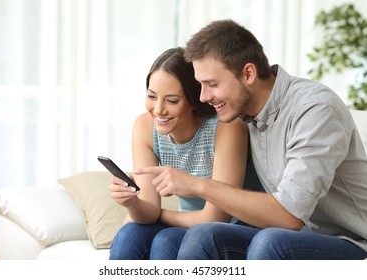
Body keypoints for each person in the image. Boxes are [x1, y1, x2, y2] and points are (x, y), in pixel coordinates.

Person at [135, 20, 367, 260]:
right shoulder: (243, 113)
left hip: (352, 242)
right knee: (198, 235)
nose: (203, 97)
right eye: (201, 85)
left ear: (248, 73)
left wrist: (196, 185)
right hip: (294, 234)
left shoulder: (315, 109)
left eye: (212, 84)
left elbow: (289, 216)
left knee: (271, 241)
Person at [108, 47, 249, 260]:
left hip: (234, 228)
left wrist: (158, 214)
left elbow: (215, 217)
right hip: (188, 224)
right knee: (129, 234)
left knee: (166, 240)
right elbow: (146, 212)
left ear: (194, 99)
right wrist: (133, 204)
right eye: (152, 96)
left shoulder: (226, 128)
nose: (158, 110)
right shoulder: (145, 127)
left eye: (172, 101)